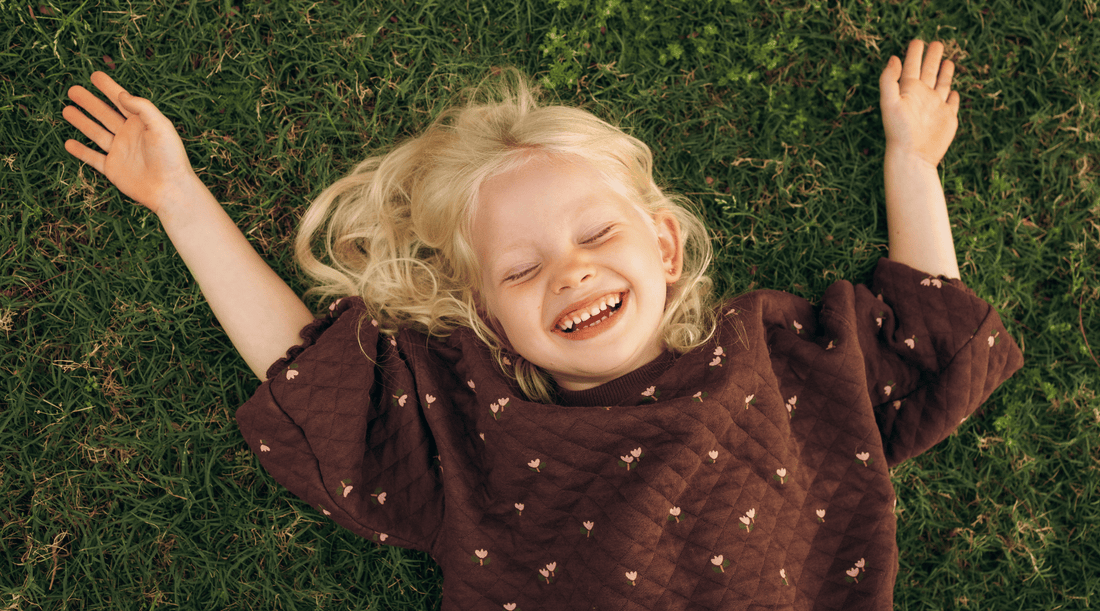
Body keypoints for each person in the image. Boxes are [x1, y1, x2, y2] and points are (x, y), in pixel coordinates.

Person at [63, 39, 1022, 610]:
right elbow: (315, 376)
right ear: (489, 317)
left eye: (597, 234)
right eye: (521, 269)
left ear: (665, 248)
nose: (571, 271)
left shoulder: (776, 359)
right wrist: (177, 199)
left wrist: (913, 161)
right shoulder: (473, 427)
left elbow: (919, 329)